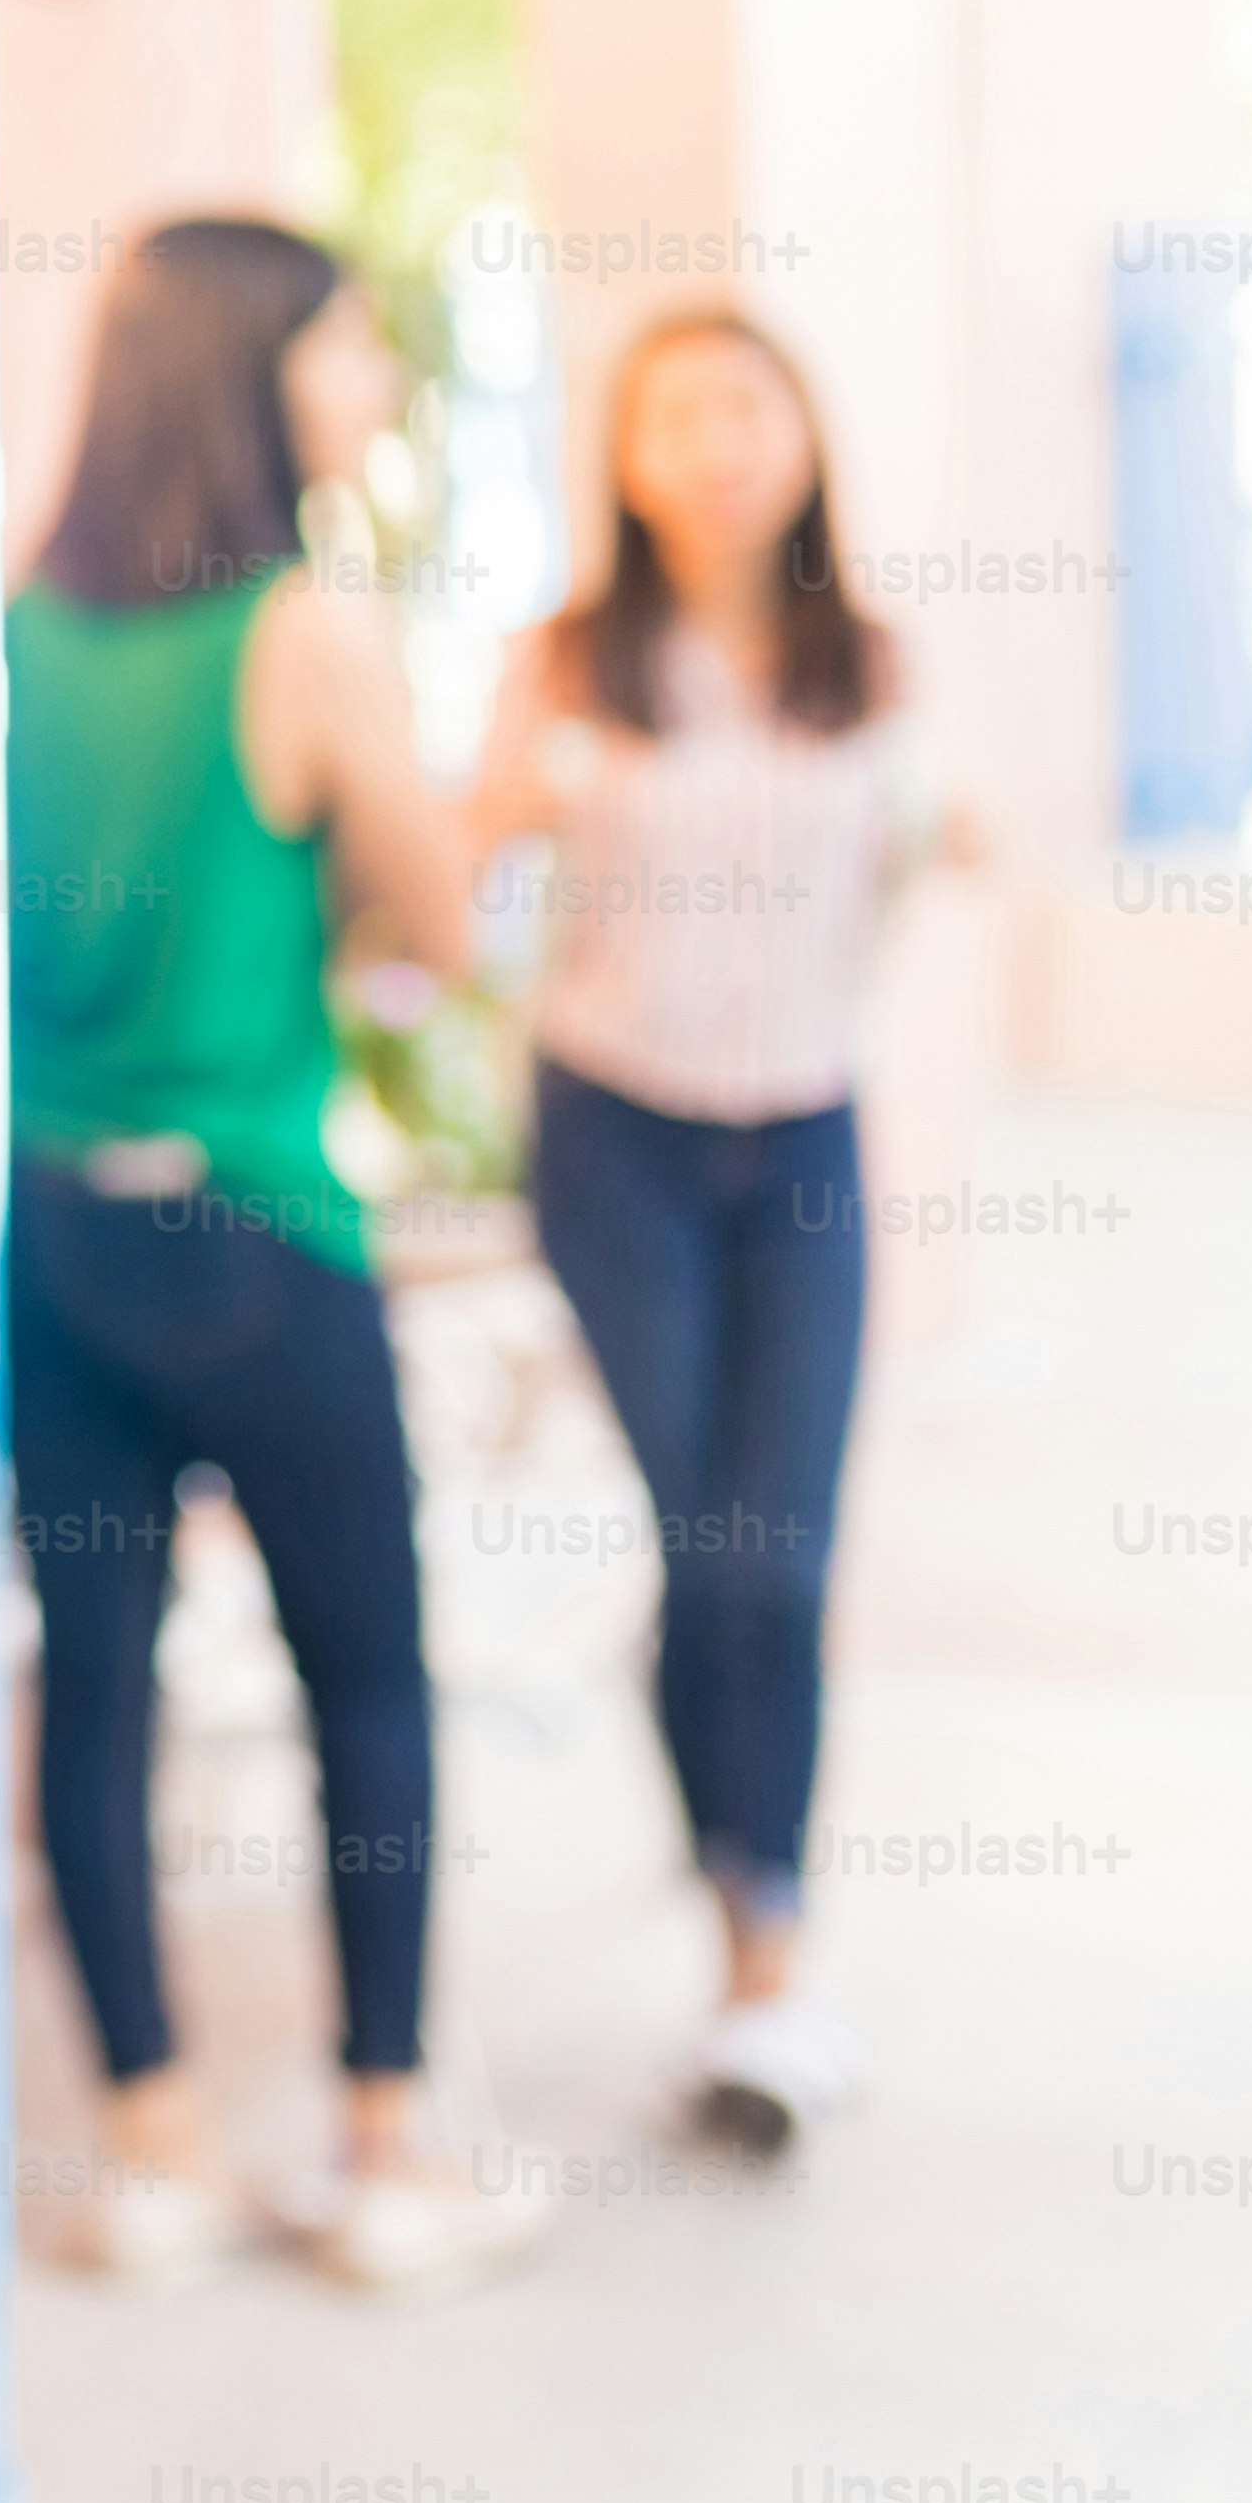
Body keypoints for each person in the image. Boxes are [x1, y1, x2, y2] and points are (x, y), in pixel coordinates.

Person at [6, 215, 533, 2297]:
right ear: (250, 370)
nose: (377, 384)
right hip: (253, 1223)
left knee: (91, 1682)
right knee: (365, 1676)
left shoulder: (11, 629)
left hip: (52, 1232)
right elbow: (435, 917)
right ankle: (383, 2143)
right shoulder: (299, 628)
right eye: (345, 347)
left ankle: (147, 2143)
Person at [466, 308, 948, 2160]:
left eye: (746, 409)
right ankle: (728, 1858)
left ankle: (767, 1960)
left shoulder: (876, 665)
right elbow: (466, 877)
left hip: (808, 1137)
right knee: (708, 1538)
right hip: (618, 1139)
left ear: (803, 438)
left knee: (784, 1555)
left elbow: (907, 871)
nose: (716, 447)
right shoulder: (569, 659)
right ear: (626, 454)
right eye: (675, 416)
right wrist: (512, 794)